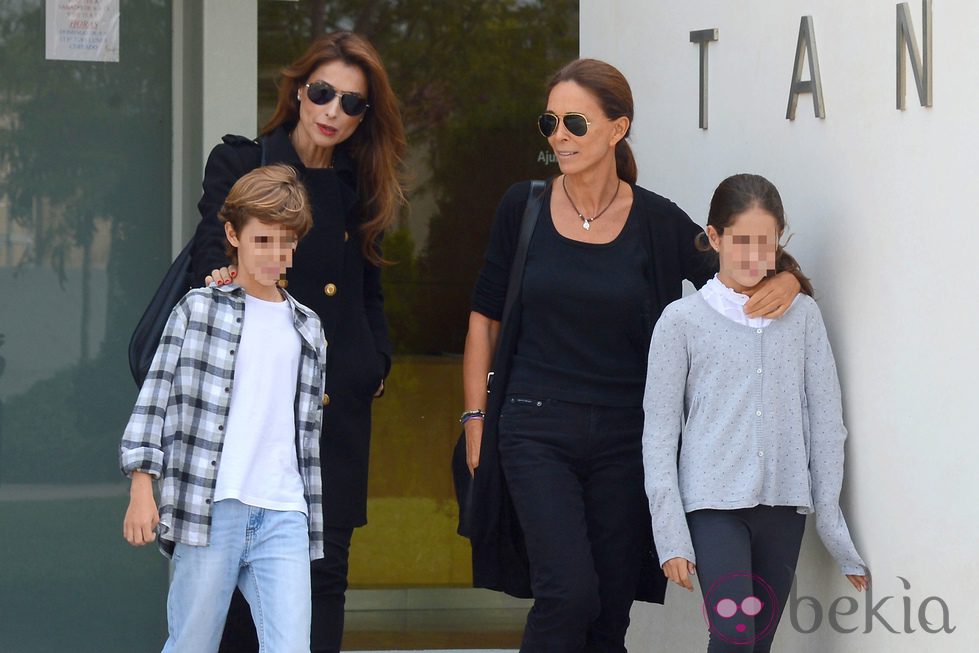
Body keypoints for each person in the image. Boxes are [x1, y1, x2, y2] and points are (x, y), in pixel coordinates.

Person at [460, 59, 802, 652]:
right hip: (534, 427)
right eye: (550, 122)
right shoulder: (524, 207)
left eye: (574, 122)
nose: (558, 135)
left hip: (627, 436)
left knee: (609, 612)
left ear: (618, 130)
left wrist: (791, 281)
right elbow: (484, 317)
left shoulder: (657, 221)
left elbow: (736, 269)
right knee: (568, 592)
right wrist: (474, 416)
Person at [189, 32, 406, 652]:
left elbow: (369, 288)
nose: (334, 110)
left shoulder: (361, 184)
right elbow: (214, 254)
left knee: (325, 576)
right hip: (250, 409)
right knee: (231, 580)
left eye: (353, 103)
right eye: (323, 92)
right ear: (298, 90)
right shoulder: (240, 163)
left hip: (334, 406)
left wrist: (375, 359)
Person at [642, 173, 869, 652]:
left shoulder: (803, 316)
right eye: (741, 240)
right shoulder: (680, 322)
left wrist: (830, 521)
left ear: (780, 240)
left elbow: (827, 422)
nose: (753, 255)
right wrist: (671, 537)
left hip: (784, 506)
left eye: (765, 242)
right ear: (714, 237)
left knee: (758, 643)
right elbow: (659, 435)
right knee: (733, 635)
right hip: (712, 508)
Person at [120, 164, 326, 652]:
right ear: (232, 234)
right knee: (192, 642)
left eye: (286, 242)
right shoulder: (198, 309)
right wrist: (142, 486)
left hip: (284, 513)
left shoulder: (309, 328)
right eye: (262, 241)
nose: (276, 255)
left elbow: (306, 432)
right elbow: (156, 399)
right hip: (211, 509)